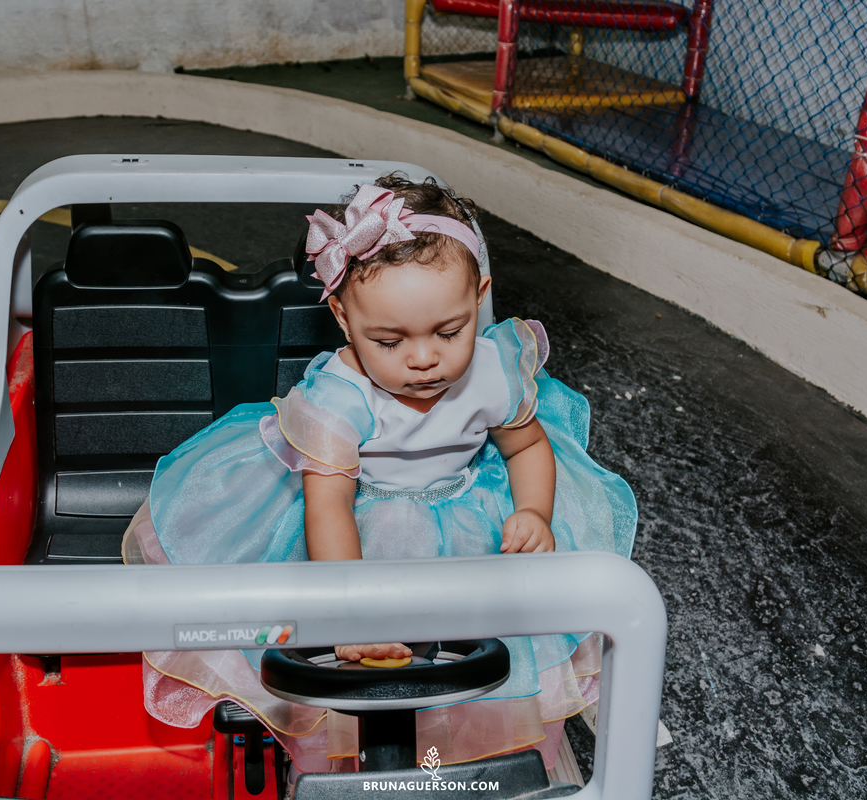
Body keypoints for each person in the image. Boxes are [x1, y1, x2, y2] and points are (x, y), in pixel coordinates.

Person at [123, 174, 638, 775]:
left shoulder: (496, 369)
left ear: (480, 298)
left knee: (492, 653)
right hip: (368, 521)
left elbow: (526, 447)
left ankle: (447, 760)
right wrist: (349, 616)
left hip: (470, 507)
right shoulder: (341, 397)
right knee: (374, 651)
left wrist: (534, 511)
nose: (423, 359)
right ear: (342, 318)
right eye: (389, 340)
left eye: (450, 332)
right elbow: (328, 508)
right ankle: (374, 764)